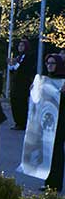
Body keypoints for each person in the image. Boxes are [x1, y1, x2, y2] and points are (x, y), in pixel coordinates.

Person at [44, 54, 65, 191]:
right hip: (48, 120)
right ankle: (48, 181)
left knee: (57, 151)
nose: (49, 65)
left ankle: (56, 183)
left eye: (52, 63)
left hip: (61, 120)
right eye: (48, 63)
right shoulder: (46, 80)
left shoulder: (62, 81)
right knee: (48, 150)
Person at [9, 38, 36, 130]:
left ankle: (23, 122)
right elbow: (14, 70)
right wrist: (11, 65)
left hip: (23, 83)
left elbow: (25, 70)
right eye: (19, 46)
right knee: (14, 101)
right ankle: (17, 122)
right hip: (15, 82)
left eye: (22, 46)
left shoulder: (28, 56)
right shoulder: (18, 56)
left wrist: (16, 64)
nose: (20, 47)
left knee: (21, 103)